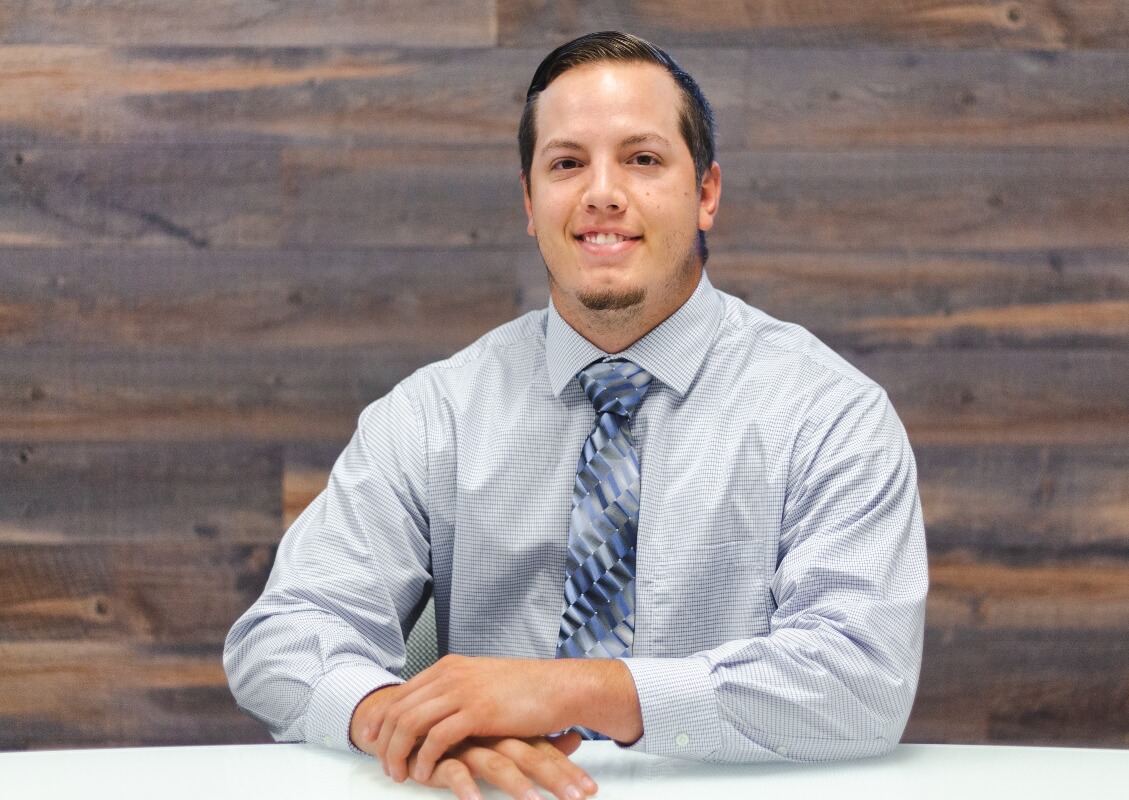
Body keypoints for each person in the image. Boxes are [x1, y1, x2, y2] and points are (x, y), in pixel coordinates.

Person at [224, 30, 927, 800]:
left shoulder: (829, 413)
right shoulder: (434, 416)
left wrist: (574, 691)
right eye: (566, 163)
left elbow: (863, 677)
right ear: (530, 203)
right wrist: (396, 715)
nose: (602, 193)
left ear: (707, 194)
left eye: (643, 159)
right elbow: (281, 636)